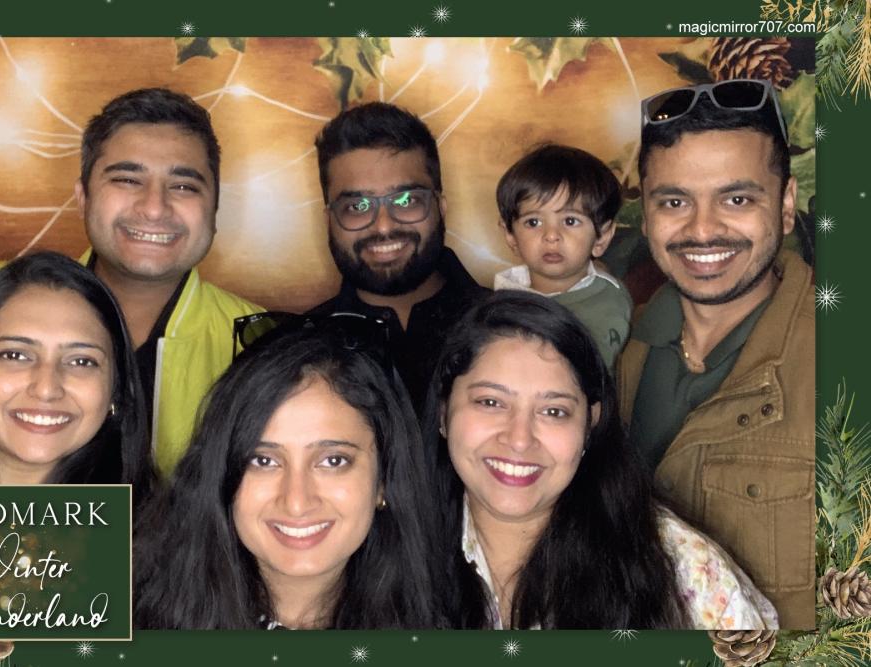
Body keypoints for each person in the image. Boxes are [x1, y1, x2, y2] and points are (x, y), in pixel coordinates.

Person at [0, 88, 261, 477]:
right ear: (83, 196)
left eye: (184, 186)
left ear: (215, 207)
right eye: (127, 179)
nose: (154, 208)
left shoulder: (257, 343)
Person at [423, 291, 777, 629]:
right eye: (490, 403)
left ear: (590, 424)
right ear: (443, 412)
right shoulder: (400, 546)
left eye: (553, 411)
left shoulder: (682, 566)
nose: (519, 438)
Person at [619, 79, 815, 627]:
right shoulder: (617, 349)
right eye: (675, 201)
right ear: (646, 212)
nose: (702, 230)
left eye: (737, 199)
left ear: (786, 205)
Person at [134, 316, 445, 629]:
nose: (296, 502)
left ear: (384, 480)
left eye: (333, 461)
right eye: (263, 461)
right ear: (222, 473)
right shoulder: (123, 616)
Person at [0, 252, 154, 503]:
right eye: (15, 355)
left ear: (116, 386)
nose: (46, 388)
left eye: (81, 361)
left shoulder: (161, 523)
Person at [308, 102, 489, 412]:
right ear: (329, 220)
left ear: (441, 207)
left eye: (406, 201)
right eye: (357, 207)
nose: (384, 226)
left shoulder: (515, 328)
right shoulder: (301, 350)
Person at [493, 143, 631, 369]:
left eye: (570, 221)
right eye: (533, 222)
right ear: (510, 235)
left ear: (602, 237)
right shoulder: (497, 312)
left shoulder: (614, 297)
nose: (551, 235)